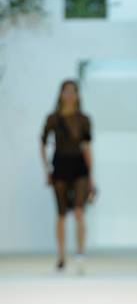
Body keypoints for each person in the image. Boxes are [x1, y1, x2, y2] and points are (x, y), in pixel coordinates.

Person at [40, 80, 95, 272]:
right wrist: (46, 168)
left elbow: (87, 147)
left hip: (79, 166)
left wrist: (91, 177)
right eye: (66, 92)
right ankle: (61, 256)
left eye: (73, 92)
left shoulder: (83, 119)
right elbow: (42, 141)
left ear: (78, 95)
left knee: (79, 211)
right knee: (61, 213)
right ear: (61, 94)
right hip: (60, 166)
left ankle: (80, 254)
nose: (70, 95)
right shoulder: (52, 119)